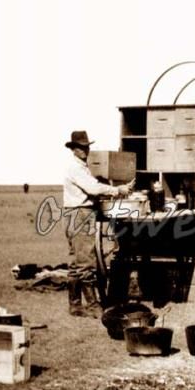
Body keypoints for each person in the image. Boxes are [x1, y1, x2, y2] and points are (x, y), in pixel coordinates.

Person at [63, 130, 133, 318]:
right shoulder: (76, 168)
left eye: (86, 147)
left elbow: (92, 186)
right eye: (81, 147)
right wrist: (117, 190)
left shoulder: (80, 167)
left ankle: (75, 305)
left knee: (76, 262)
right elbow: (92, 188)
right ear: (73, 149)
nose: (85, 150)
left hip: (74, 213)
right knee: (86, 262)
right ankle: (93, 306)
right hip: (80, 213)